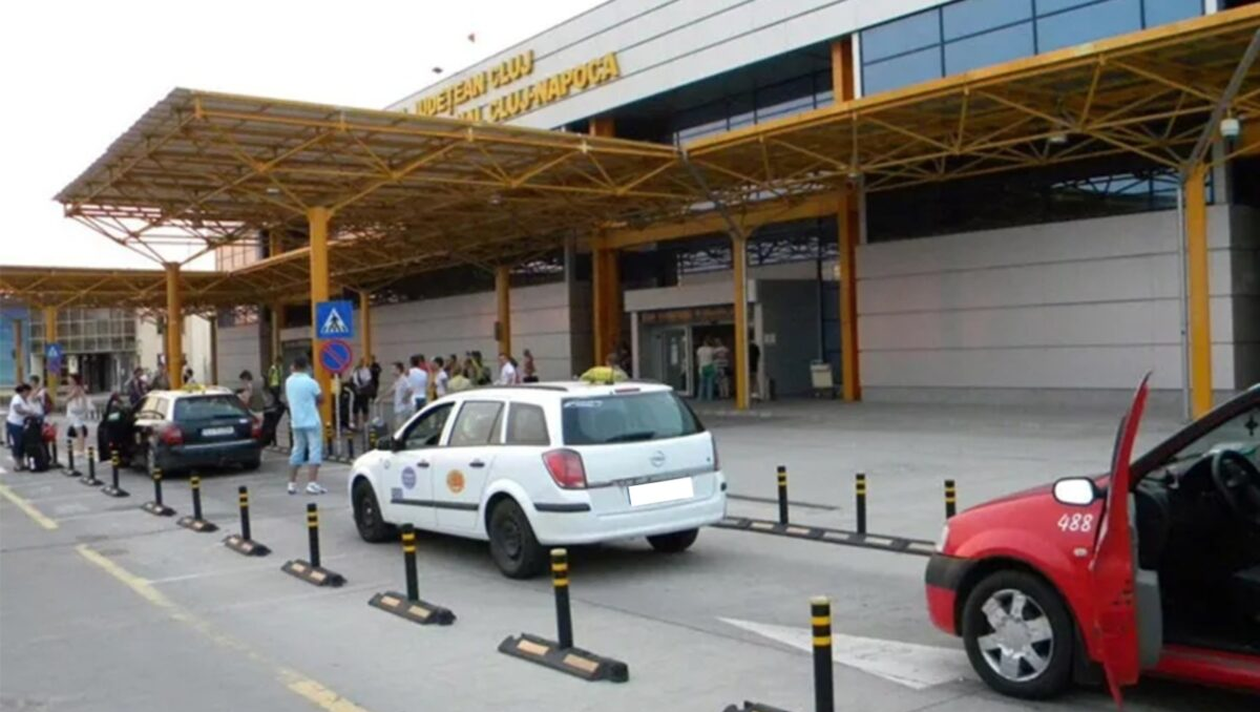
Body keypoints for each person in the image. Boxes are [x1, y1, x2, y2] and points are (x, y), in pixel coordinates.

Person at [284, 356, 326, 495]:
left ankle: (291, 484)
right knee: (314, 450)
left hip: (296, 422)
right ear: (306, 366)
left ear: (294, 366)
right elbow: (321, 398)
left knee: (297, 450)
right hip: (312, 421)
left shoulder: (288, 381)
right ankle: (312, 483)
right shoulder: (311, 382)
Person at [6, 384, 35, 471]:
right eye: (28, 392)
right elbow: (18, 410)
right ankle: (17, 464)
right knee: (17, 443)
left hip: (23, 424)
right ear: (24, 391)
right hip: (14, 424)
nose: (29, 394)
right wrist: (28, 412)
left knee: (23, 444)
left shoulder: (26, 399)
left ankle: (22, 463)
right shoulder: (17, 398)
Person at [66, 374, 91, 455]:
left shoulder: (77, 388)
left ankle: (81, 450)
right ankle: (80, 448)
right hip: (77, 412)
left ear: (74, 380)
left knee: (79, 431)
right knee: (78, 431)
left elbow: (69, 398)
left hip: (77, 412)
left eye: (70, 379)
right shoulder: (76, 388)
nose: (68, 380)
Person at [350, 358, 375, 429]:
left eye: (361, 362)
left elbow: (368, 381)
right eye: (359, 362)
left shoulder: (366, 370)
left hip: (364, 392)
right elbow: (352, 379)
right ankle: (356, 425)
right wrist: (355, 388)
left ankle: (365, 425)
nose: (360, 363)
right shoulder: (354, 370)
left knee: (365, 408)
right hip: (356, 391)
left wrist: (362, 388)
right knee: (355, 409)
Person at [389, 362, 410, 431]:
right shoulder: (397, 380)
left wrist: (405, 398)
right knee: (398, 427)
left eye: (393, 369)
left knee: (399, 429)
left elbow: (410, 390)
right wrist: (381, 398)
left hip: (403, 409)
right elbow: (392, 390)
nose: (391, 371)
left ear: (398, 370)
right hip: (399, 408)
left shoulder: (403, 379)